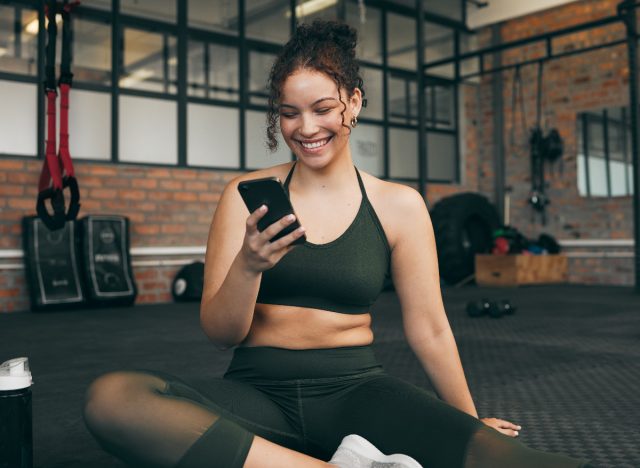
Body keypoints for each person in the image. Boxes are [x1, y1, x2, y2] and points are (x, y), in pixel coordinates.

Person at [83, 20, 593, 468]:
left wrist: (467, 423)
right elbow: (221, 333)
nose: (306, 129)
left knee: (512, 459)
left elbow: (431, 328)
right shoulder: (243, 197)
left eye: (322, 108)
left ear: (353, 101)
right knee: (114, 399)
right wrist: (248, 266)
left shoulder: (400, 206)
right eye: (289, 113)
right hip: (256, 394)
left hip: (359, 393)